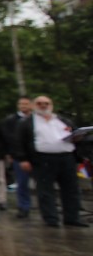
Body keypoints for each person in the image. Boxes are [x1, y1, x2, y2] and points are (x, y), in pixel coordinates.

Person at [13, 95, 86, 228]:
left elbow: (75, 134)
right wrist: (22, 159)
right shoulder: (27, 122)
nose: (43, 105)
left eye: (46, 103)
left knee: (71, 189)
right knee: (45, 190)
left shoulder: (62, 120)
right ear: (34, 105)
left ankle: (72, 217)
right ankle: (51, 218)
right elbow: (19, 142)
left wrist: (78, 138)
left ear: (51, 105)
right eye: (40, 103)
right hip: (43, 159)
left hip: (66, 157)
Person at [3, 97, 35, 219]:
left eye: (26, 103)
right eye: (21, 104)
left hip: (38, 156)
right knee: (22, 183)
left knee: (43, 184)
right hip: (20, 156)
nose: (24, 106)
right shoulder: (11, 120)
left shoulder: (37, 119)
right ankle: (24, 207)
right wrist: (10, 153)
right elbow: (8, 138)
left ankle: (47, 208)